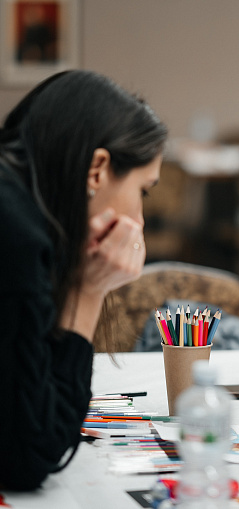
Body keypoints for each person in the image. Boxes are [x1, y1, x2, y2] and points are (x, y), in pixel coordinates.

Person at [0, 70, 168, 490]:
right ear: (97, 169)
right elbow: (32, 453)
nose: (140, 219)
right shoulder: (15, 234)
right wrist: (88, 290)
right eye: (143, 191)